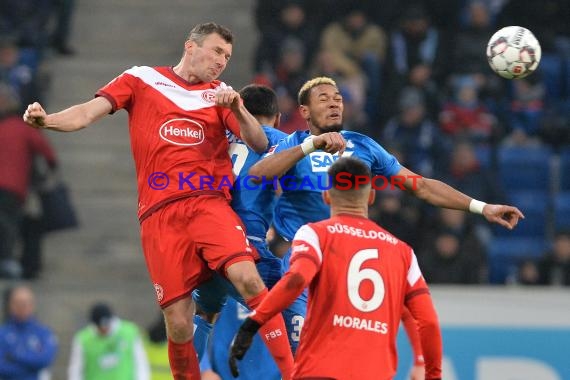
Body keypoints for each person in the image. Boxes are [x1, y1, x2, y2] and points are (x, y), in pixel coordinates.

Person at [23, 22, 293, 379]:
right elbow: (88, 113)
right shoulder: (142, 79)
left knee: (249, 279)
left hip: (206, 203)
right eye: (216, 51)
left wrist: (239, 108)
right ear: (190, 47)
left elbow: (258, 143)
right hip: (159, 215)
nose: (221, 62)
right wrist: (47, 121)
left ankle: (294, 372)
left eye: (227, 57)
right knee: (179, 324)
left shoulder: (220, 94)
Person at [247, 76, 523, 357]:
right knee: (300, 360)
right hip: (304, 265)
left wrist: (481, 207)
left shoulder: (363, 146)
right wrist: (310, 146)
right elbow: (257, 175)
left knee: (349, 361)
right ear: (304, 112)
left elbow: (422, 186)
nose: (334, 103)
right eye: (324, 99)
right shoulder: (294, 145)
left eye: (338, 99)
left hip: (354, 266)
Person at [229, 156, 443, 379]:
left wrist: (253, 323)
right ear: (370, 197)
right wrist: (432, 374)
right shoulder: (402, 252)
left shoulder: (314, 234)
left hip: (320, 370)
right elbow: (427, 320)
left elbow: (297, 279)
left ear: (327, 196)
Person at [191, 84, 288, 374]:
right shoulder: (280, 141)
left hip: (205, 243)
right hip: (247, 247)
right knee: (292, 303)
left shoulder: (215, 136)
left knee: (204, 314)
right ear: (278, 118)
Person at [0, 83, 58, 279]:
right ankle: (6, 261)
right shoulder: (23, 128)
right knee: (8, 225)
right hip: (13, 188)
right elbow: (47, 153)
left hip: (9, 186)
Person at [68, 302, 150, 380]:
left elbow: (140, 362)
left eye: (106, 325)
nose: (104, 329)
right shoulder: (83, 339)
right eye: (100, 327)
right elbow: (76, 370)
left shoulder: (129, 332)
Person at [0, 285, 58, 380]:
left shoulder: (44, 333)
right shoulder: (2, 334)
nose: (22, 307)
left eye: (25, 303)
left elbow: (44, 360)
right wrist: (31, 368)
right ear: (11, 305)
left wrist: (15, 356)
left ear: (32, 305)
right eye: (18, 303)